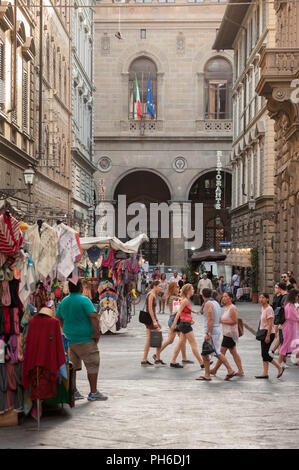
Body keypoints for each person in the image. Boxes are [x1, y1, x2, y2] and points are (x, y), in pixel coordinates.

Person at [56, 279, 108, 401]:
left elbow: (58, 318)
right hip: (85, 339)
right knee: (92, 365)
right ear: (81, 288)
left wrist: (65, 328)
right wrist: (96, 333)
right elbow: (93, 317)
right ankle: (93, 392)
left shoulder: (64, 301)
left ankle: (74, 391)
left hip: (69, 340)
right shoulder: (85, 300)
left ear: (69, 288)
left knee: (72, 367)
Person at [196, 288, 236, 381]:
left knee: (216, 352)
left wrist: (208, 333)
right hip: (215, 329)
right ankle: (207, 374)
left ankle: (229, 370)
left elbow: (210, 319)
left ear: (203, 295)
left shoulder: (208, 304)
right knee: (208, 353)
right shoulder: (216, 303)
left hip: (212, 330)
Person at [157, 281, 194, 364]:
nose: (178, 288)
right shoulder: (173, 298)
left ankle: (157, 355)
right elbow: (181, 305)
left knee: (172, 340)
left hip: (174, 320)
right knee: (181, 340)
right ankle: (159, 355)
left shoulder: (173, 297)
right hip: (175, 321)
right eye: (177, 287)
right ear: (172, 288)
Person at [170, 284, 204, 369]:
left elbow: (185, 310)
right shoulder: (185, 300)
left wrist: (192, 314)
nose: (193, 291)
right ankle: (202, 363)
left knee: (180, 343)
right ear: (188, 291)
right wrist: (174, 324)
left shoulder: (185, 300)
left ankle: (173, 361)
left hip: (184, 323)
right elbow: (179, 312)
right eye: (192, 289)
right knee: (193, 344)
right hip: (185, 324)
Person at [210, 292, 244, 377]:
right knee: (233, 353)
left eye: (226, 296)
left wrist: (222, 321)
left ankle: (217, 370)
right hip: (227, 333)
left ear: (230, 298)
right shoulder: (226, 308)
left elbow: (234, 321)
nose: (223, 298)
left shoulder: (232, 308)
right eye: (223, 297)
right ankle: (240, 370)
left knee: (221, 353)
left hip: (230, 334)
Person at [255, 293, 284, 379]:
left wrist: (268, 336)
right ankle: (265, 373)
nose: (261, 299)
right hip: (263, 332)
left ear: (267, 299)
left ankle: (279, 368)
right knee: (263, 354)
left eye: (263, 297)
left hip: (268, 333)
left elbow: (270, 324)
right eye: (260, 297)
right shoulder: (263, 308)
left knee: (265, 354)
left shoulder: (269, 309)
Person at [141, 280, 165, 367]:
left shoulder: (152, 294)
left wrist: (157, 321)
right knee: (160, 338)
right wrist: (155, 321)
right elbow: (150, 309)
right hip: (151, 320)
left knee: (149, 339)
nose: (160, 288)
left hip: (151, 319)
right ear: (154, 286)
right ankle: (157, 358)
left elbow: (153, 310)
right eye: (159, 286)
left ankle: (145, 359)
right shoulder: (151, 295)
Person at [278, 289, 299, 367]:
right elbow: (292, 316)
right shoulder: (290, 305)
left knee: (288, 344)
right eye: (297, 295)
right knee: (286, 344)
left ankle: (282, 362)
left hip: (291, 326)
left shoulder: (290, 304)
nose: (298, 297)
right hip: (289, 326)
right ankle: (280, 362)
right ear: (294, 296)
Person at [271, 282, 288, 357]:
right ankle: (277, 350)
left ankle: (275, 350)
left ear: (280, 288)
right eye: (275, 287)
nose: (275, 289)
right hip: (277, 317)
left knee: (279, 335)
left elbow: (283, 309)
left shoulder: (283, 296)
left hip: (280, 318)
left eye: (276, 287)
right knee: (278, 335)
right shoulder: (275, 296)